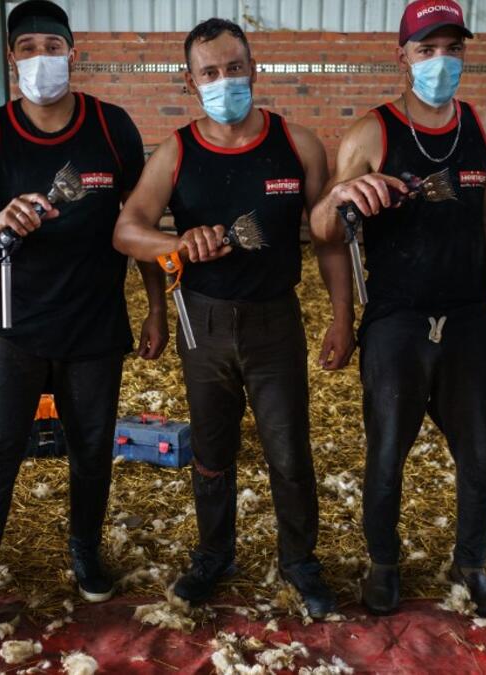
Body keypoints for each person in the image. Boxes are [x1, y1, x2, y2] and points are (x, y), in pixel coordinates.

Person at [0, 1, 166, 664]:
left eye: (51, 45)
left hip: (94, 322)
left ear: (73, 50)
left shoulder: (111, 128)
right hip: (14, 325)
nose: (41, 59)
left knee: (93, 449)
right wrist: (0, 218)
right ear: (12, 58)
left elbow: (136, 221)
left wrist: (152, 306)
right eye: (27, 47)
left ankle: (85, 550)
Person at [309, 0, 486, 618]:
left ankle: (472, 563)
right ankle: (383, 564)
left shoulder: (482, 126)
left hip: (467, 315)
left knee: (481, 452)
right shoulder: (372, 132)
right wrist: (342, 318)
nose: (441, 61)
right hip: (398, 317)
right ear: (401, 55)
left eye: (452, 49)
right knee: (386, 449)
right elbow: (325, 228)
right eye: (427, 49)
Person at [113, 18, 339, 620]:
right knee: (212, 449)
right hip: (203, 323)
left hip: (276, 320)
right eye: (209, 72)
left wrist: (342, 317)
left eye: (234, 68)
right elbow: (126, 229)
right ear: (191, 83)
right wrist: (176, 243)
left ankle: (299, 561)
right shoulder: (177, 151)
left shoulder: (300, 145)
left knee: (288, 449)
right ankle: (215, 554)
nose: (224, 81)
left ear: (253, 68)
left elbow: (331, 241)